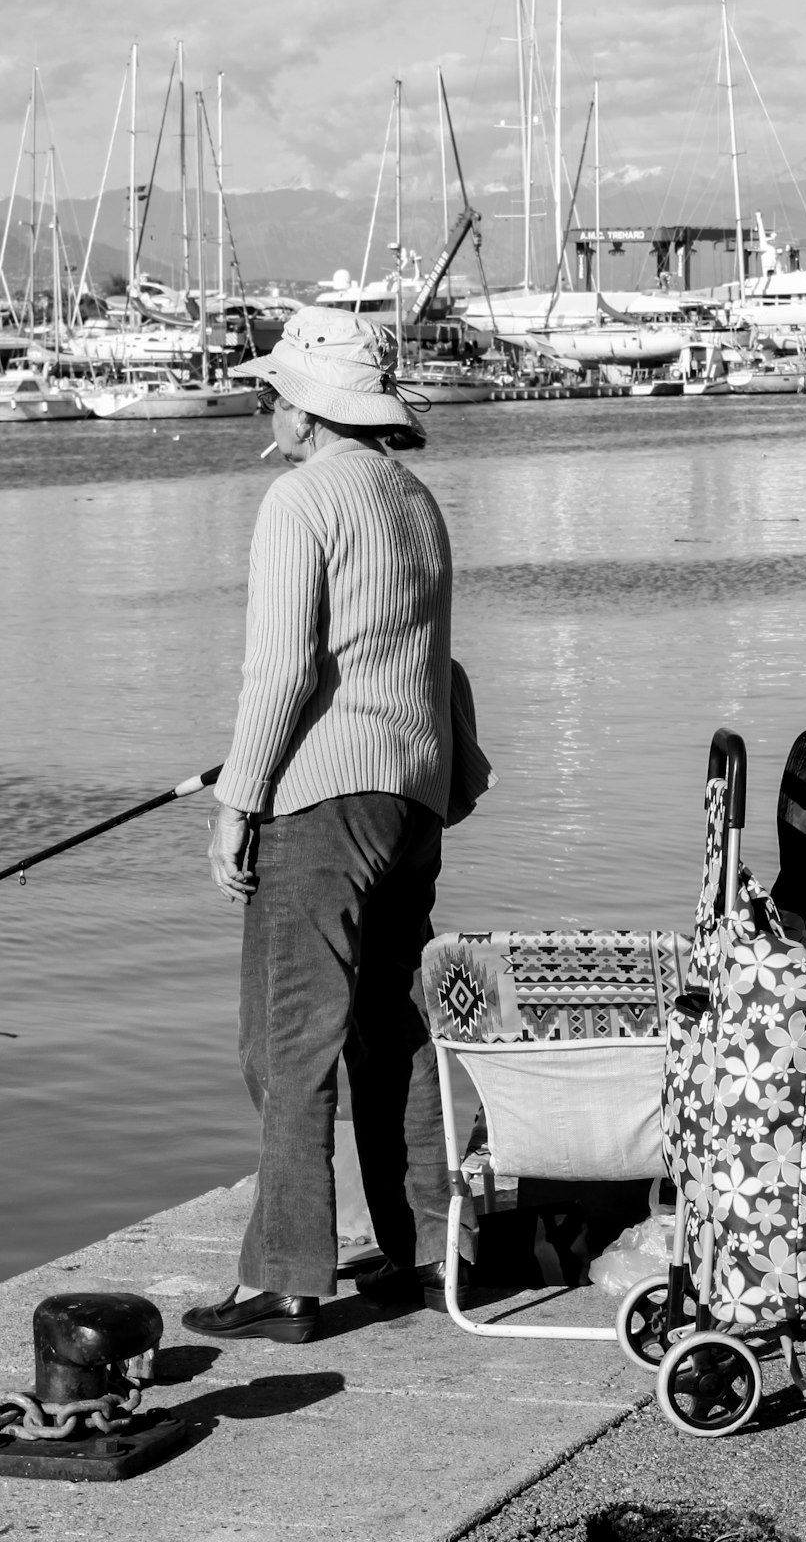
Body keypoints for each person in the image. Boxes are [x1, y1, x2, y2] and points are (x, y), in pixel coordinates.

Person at [181, 308, 477, 1345]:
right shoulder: (413, 498)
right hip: (411, 799)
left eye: (273, 392)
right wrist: (458, 766)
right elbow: (431, 659)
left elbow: (285, 670)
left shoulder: (300, 498)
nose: (265, 405)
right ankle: (429, 1248)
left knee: (283, 1039)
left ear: (307, 408)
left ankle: (290, 1278)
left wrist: (238, 801)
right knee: (391, 1029)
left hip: (319, 801)